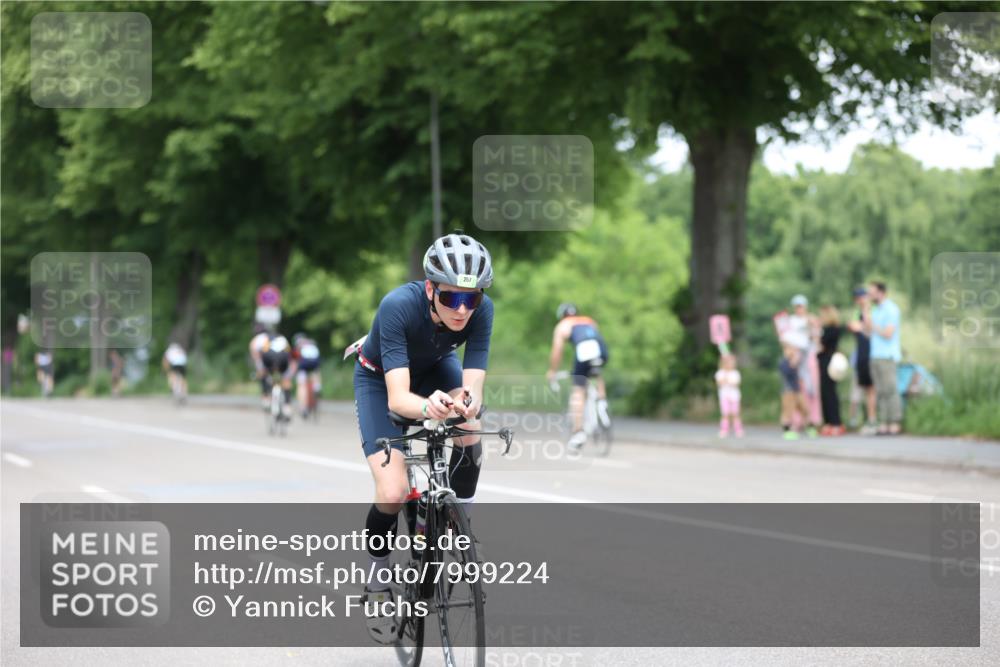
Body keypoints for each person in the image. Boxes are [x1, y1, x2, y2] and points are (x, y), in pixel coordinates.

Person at [348, 232, 494, 644]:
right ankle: (377, 584)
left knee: (470, 426)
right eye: (451, 299)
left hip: (436, 367)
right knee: (393, 491)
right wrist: (428, 407)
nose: (463, 310)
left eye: (473, 299)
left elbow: (474, 386)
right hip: (381, 380)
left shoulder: (482, 312)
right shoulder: (398, 306)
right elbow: (399, 398)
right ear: (430, 289)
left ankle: (461, 526)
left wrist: (465, 402)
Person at [546, 303, 610, 450]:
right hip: (601, 348)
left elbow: (557, 351)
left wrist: (552, 371)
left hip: (584, 351)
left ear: (562, 316)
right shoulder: (589, 320)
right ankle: (602, 401)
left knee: (578, 390)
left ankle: (578, 432)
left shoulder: (562, 325)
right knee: (596, 371)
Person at [864, 281, 903, 435]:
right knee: (880, 391)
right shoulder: (875, 310)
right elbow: (868, 331)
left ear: (881, 292)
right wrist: (866, 312)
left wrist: (872, 325)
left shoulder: (891, 309)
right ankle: (884, 421)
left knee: (890, 389)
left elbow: (888, 333)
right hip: (875, 355)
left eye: (872, 292)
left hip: (887, 355)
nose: (870, 295)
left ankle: (894, 421)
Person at [846, 287, 877, 434]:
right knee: (856, 389)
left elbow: (869, 330)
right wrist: (862, 326)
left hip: (872, 355)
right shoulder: (856, 313)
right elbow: (853, 326)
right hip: (860, 356)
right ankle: (853, 420)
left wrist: (863, 324)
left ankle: (871, 420)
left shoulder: (874, 310)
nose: (861, 300)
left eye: (862, 297)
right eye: (858, 298)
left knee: (871, 389)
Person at [249, 326, 296, 418]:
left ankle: (266, 397)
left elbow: (254, 351)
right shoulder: (282, 338)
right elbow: (290, 353)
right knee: (286, 379)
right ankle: (287, 406)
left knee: (263, 373)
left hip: (268, 357)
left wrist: (259, 367)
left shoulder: (258, 339)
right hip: (283, 357)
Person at [817, 305, 846, 436]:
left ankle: (836, 422)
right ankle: (828, 422)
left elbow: (821, 345)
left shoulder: (832, 329)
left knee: (830, 393)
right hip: (822, 362)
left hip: (829, 362)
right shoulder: (824, 329)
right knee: (824, 393)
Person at [778, 337, 810, 440]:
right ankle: (786, 430)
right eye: (790, 349)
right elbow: (786, 373)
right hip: (788, 390)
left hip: (797, 389)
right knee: (788, 411)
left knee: (804, 408)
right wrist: (793, 363)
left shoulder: (796, 362)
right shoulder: (783, 362)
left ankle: (808, 427)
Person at [292, 332, 322, 417]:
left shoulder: (297, 347)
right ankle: (317, 386)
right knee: (316, 371)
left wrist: (293, 373)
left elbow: (295, 363)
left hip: (304, 363)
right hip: (315, 361)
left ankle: (303, 408)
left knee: (301, 385)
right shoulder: (311, 343)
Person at [715, 353, 743, 438]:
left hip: (734, 397)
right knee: (725, 414)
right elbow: (719, 383)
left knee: (735, 414)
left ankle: (738, 429)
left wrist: (729, 381)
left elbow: (736, 384)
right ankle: (724, 429)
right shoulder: (720, 373)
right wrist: (725, 378)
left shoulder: (735, 373)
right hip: (724, 397)